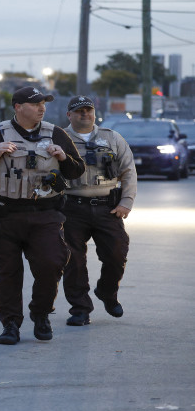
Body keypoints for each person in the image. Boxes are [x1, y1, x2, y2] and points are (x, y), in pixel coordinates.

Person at [0, 86, 85, 345]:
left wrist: (64, 158)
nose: (42, 108)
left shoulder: (56, 133)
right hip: (5, 216)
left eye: (44, 103)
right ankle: (10, 324)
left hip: (45, 214)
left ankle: (41, 314)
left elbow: (77, 171)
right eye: (35, 103)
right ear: (18, 107)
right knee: (8, 273)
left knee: (51, 263)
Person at [62, 96, 137, 327]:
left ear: (94, 113)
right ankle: (80, 309)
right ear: (69, 115)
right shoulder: (58, 139)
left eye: (89, 110)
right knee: (73, 261)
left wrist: (126, 202)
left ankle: (107, 291)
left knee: (117, 253)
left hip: (108, 207)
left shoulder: (112, 138)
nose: (85, 114)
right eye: (79, 111)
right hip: (71, 207)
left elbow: (128, 170)